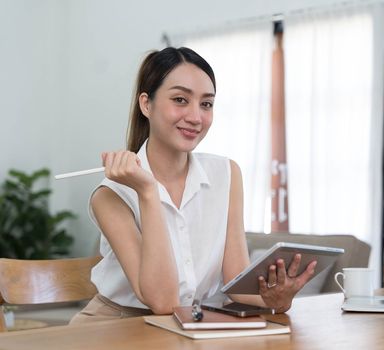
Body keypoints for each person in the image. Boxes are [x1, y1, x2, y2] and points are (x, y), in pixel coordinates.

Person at [70, 47, 317, 323]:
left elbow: (235, 278)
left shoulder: (227, 174)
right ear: (146, 104)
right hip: (116, 325)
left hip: (193, 323)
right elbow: (163, 302)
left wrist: (276, 299)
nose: (196, 117)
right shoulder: (109, 195)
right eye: (180, 99)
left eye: (206, 104)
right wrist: (148, 192)